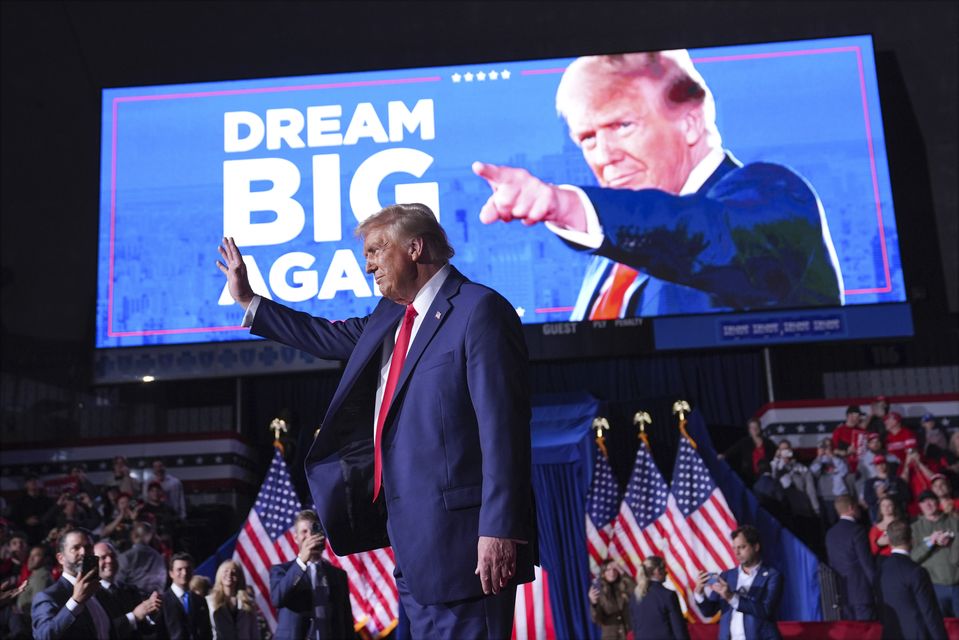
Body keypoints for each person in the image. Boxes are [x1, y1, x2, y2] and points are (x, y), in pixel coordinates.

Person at [218, 202, 536, 638]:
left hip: (468, 546)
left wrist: (500, 529)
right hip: (411, 546)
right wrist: (250, 301)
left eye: (375, 251)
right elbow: (325, 336)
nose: (367, 265)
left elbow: (503, 430)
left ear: (415, 248)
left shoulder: (479, 311)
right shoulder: (389, 318)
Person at [471, 50, 843, 319]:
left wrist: (566, 205)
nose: (604, 155)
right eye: (587, 138)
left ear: (691, 122)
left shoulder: (774, 193)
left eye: (622, 126)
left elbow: (708, 238)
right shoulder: (613, 253)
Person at [269, 510, 353, 640]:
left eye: (314, 530)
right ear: (295, 537)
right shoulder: (281, 571)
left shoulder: (338, 575)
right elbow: (277, 598)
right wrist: (302, 561)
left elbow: (346, 620)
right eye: (304, 531)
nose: (309, 535)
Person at [694, 524, 782, 640]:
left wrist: (730, 597)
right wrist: (699, 593)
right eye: (734, 548)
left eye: (742, 547)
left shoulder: (772, 576)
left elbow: (765, 610)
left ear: (756, 547)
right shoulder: (727, 576)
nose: (737, 553)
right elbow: (709, 611)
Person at [31, 527, 113, 640]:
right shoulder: (48, 596)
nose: (84, 552)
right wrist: (75, 602)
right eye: (76, 548)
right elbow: (43, 636)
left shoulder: (100, 591)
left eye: (88, 547)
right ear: (61, 558)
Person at [877, 519, 947, 640]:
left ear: (889, 541)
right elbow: (929, 612)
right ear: (911, 540)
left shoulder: (880, 570)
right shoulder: (916, 572)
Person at [93, 540, 163, 637]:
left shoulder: (130, 590)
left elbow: (147, 630)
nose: (109, 560)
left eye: (112, 556)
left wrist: (151, 610)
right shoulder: (91, 595)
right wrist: (134, 616)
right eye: (103, 557)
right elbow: (101, 631)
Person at [825, 496, 876, 620]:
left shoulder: (830, 533)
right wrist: (876, 585)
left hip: (842, 592)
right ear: (851, 508)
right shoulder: (857, 530)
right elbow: (866, 562)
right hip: (861, 592)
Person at [910, 490, 959, 618]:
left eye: (930, 500)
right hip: (935, 586)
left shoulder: (954, 522)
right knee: (942, 627)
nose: (927, 504)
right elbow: (912, 558)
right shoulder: (915, 528)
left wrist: (953, 543)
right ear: (919, 506)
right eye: (923, 502)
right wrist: (929, 543)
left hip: (957, 583)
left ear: (937, 502)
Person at [628, 556, 688, 640]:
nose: (666, 572)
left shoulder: (635, 596)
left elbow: (635, 627)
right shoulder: (668, 595)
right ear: (657, 571)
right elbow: (678, 628)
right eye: (664, 569)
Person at [156, 552, 212, 640]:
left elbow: (207, 632)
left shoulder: (200, 600)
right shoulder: (161, 601)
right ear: (171, 573)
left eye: (188, 568)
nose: (184, 573)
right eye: (179, 569)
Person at [208, 560, 258, 640]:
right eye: (226, 571)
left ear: (239, 577)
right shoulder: (209, 602)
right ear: (219, 574)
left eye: (234, 572)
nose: (229, 574)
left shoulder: (248, 602)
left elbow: (254, 632)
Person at [718, 419, 777, 485]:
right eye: (752, 428)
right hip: (750, 476)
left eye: (756, 427)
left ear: (760, 428)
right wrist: (724, 455)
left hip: (766, 474)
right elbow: (733, 450)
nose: (754, 429)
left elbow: (776, 452)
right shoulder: (744, 442)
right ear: (749, 430)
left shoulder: (768, 442)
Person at [118, 521, 167, 598]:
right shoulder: (159, 558)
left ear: (134, 535)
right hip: (155, 601)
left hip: (131, 602)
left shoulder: (126, 557)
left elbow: (118, 582)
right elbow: (162, 582)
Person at [588, 560, 634, 640]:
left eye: (615, 569)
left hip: (628, 633)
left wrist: (622, 571)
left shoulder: (624, 585)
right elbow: (596, 619)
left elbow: (636, 592)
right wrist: (594, 603)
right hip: (611, 636)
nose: (612, 572)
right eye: (608, 570)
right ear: (603, 573)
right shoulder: (598, 589)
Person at [810, 439, 850, 531]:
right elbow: (813, 472)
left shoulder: (839, 460)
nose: (826, 449)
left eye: (828, 446)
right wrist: (819, 457)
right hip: (824, 497)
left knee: (840, 523)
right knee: (827, 524)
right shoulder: (817, 461)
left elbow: (844, 470)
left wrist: (832, 456)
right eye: (824, 447)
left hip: (839, 497)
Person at [863, 455, 910, 521]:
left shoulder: (897, 480)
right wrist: (877, 495)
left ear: (887, 464)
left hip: (897, 514)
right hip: (878, 517)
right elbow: (867, 500)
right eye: (878, 464)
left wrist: (889, 496)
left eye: (882, 463)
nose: (880, 466)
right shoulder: (869, 483)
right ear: (875, 467)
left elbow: (906, 495)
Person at [832, 406, 869, 472]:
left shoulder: (862, 431)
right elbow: (833, 450)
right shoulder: (839, 431)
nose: (859, 417)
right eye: (858, 415)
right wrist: (846, 452)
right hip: (845, 468)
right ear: (850, 415)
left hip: (861, 467)